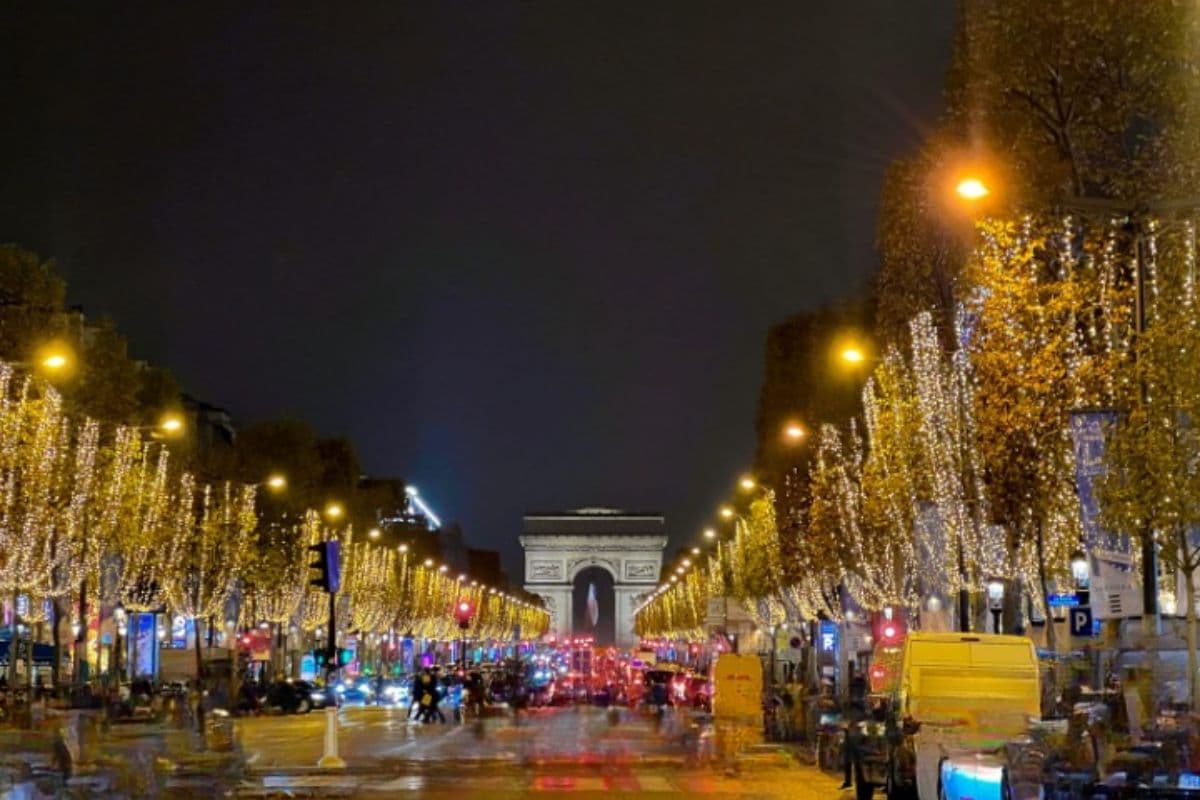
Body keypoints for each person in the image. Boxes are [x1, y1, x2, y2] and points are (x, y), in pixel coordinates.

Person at [840, 678, 867, 791]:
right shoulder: (853, 701)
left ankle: (850, 781)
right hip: (852, 733)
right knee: (850, 759)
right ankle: (848, 781)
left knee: (855, 760)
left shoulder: (860, 701)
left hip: (857, 734)